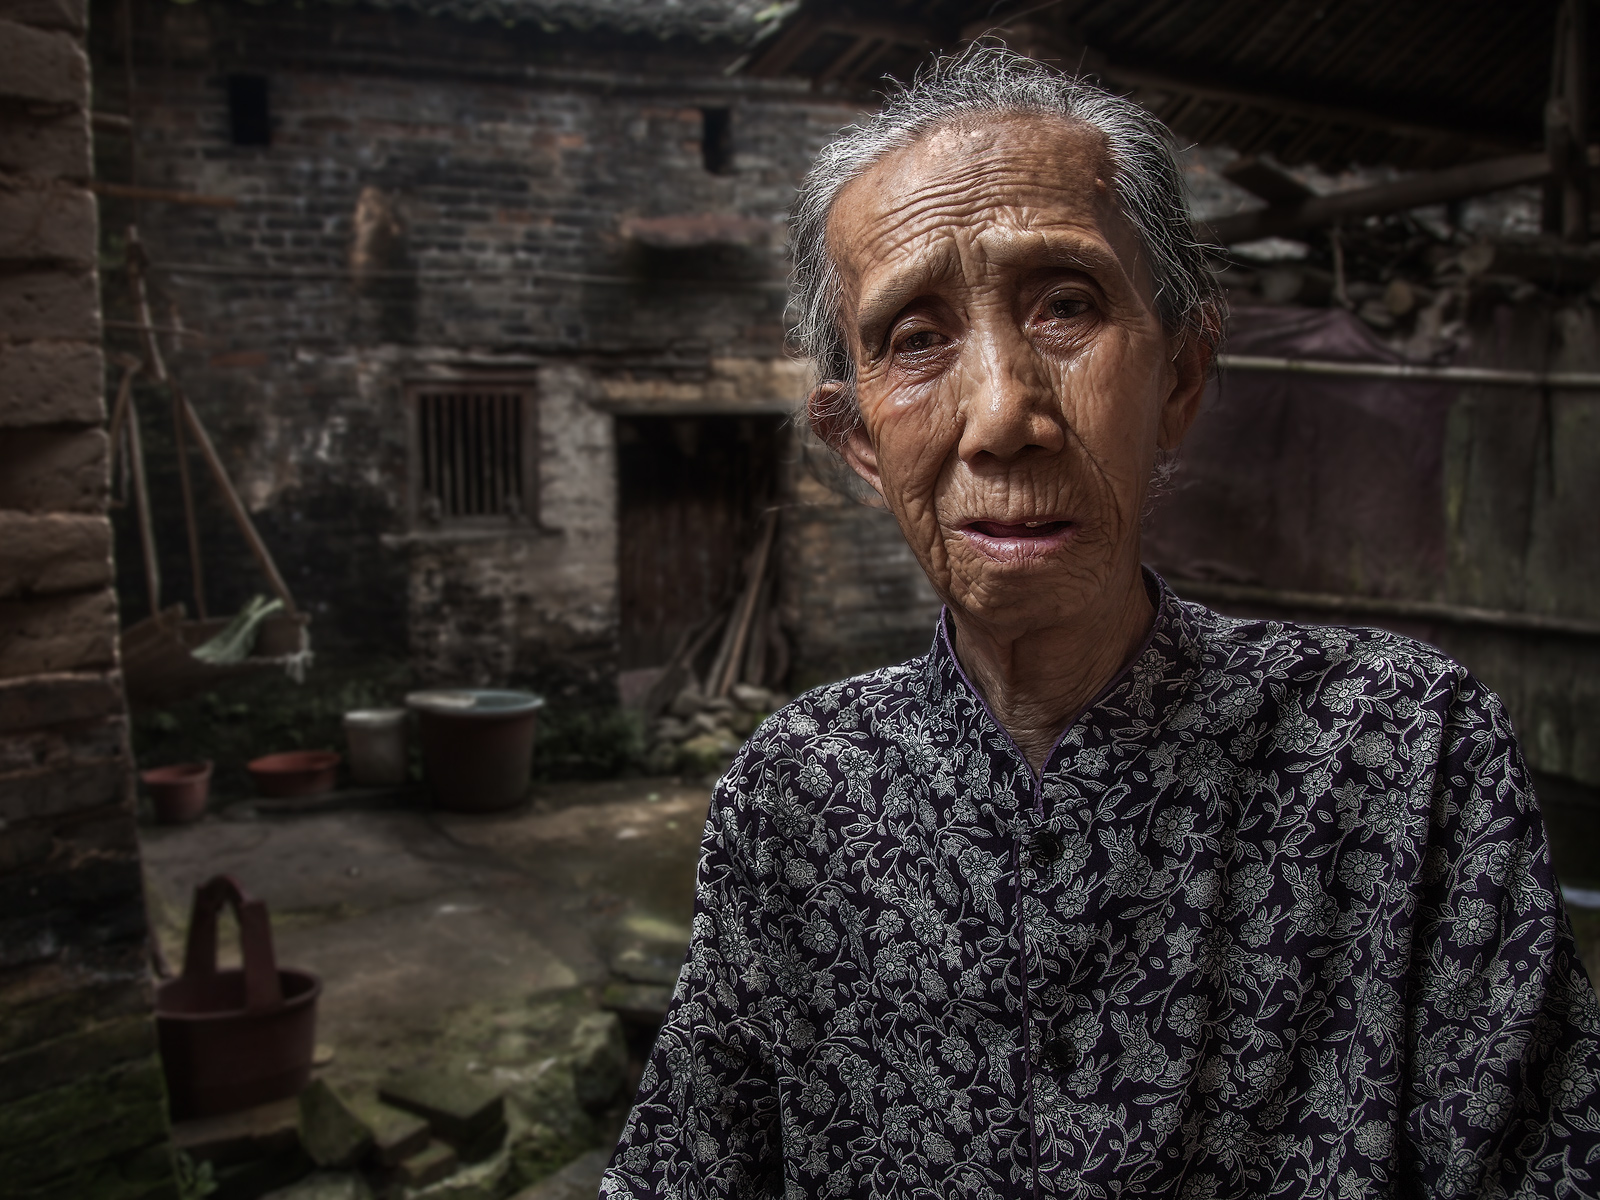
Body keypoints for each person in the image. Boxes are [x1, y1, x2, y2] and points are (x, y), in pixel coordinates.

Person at [601, 46, 1600, 1199]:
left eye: (1065, 305)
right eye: (914, 338)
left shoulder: (1401, 752)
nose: (1000, 417)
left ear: (1180, 377)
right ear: (860, 442)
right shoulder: (794, 796)